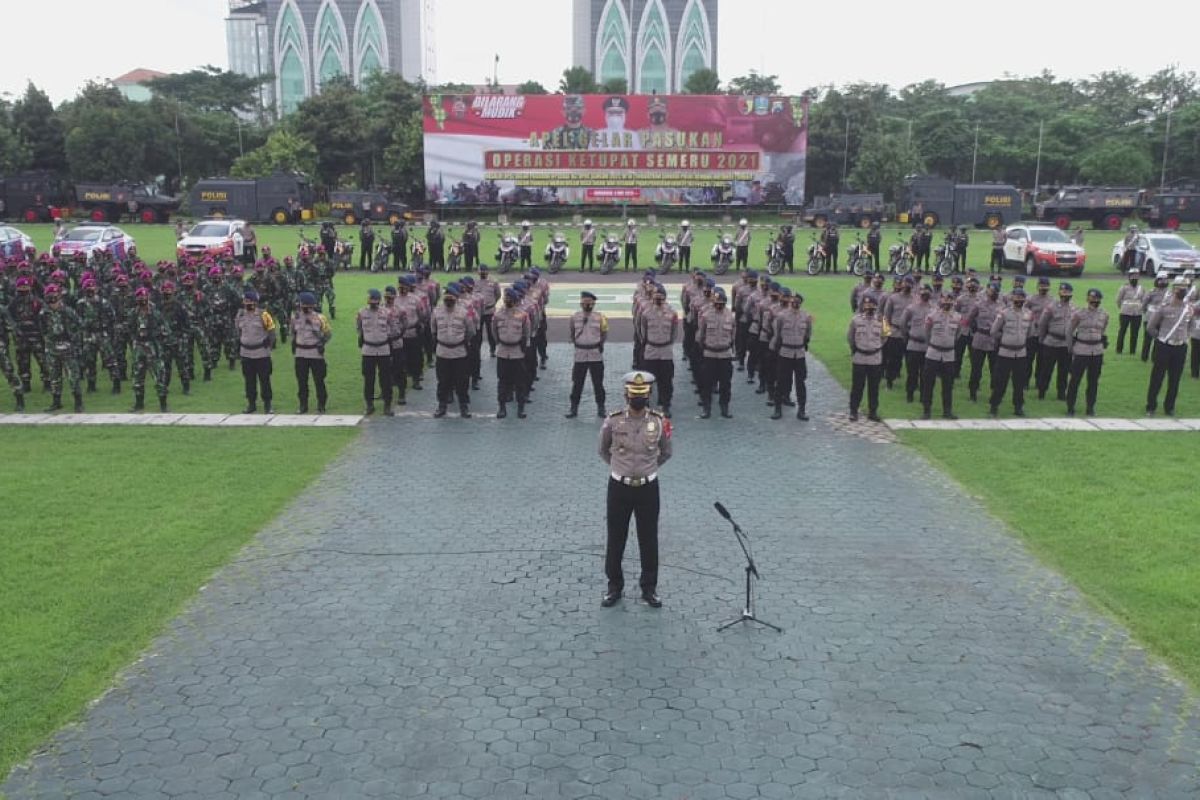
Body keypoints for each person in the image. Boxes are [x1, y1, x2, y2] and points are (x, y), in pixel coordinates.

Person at [599, 370, 671, 609]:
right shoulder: (613, 421)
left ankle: (649, 588)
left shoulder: (658, 422)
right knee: (616, 537)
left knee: (648, 539)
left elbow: (666, 452)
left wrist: (646, 469)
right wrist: (622, 469)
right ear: (626, 395)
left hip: (648, 489)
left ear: (648, 395)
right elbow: (603, 449)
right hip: (619, 487)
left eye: (641, 395)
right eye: (633, 395)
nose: (637, 399)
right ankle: (614, 586)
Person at [1145, 277, 1193, 416]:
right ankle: (1151, 406)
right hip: (1164, 346)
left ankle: (1169, 407)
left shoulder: (1188, 309)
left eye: (1185, 288)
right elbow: (1150, 327)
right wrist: (1160, 339)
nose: (1183, 291)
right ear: (1174, 289)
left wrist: (1185, 337)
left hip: (1180, 347)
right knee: (1157, 378)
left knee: (1175, 379)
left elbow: (1189, 326)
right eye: (1180, 288)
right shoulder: (1164, 308)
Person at [431, 282, 476, 418]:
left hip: (459, 352)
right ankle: (441, 406)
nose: (448, 299)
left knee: (462, 381)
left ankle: (464, 406)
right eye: (446, 296)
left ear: (456, 298)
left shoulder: (463, 312)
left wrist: (461, 341)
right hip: (443, 351)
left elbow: (471, 331)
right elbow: (433, 330)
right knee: (443, 381)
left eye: (451, 297)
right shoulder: (437, 311)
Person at [987, 287, 1034, 417]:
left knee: (1019, 383)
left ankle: (1018, 407)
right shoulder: (1004, 313)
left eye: (1021, 298)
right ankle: (994, 406)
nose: (1019, 300)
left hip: (1020, 353)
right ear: (1012, 299)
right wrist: (1004, 338)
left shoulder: (1029, 314)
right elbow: (993, 331)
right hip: (1005, 352)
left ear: (1025, 300)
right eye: (1017, 298)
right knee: (1000, 382)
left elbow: (1030, 333)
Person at [37, 284, 84, 413]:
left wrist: (72, 338)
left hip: (68, 347)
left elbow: (80, 324)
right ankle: (56, 402)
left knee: (72, 375)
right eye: (50, 299)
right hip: (52, 348)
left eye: (55, 299)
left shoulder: (68, 311)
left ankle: (78, 402)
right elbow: (42, 329)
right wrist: (48, 341)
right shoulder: (43, 313)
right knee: (54, 376)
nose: (53, 302)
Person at [1065, 288, 1109, 416]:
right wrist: (1070, 348)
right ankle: (1070, 406)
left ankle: (1090, 407)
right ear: (1087, 299)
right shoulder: (1079, 314)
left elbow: (1102, 331)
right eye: (1091, 299)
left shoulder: (1104, 314)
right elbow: (1069, 331)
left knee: (1093, 381)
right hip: (1081, 350)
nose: (1094, 301)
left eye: (1096, 299)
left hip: (1096, 351)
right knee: (1075, 380)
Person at [127, 286, 170, 413]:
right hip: (139, 347)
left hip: (153, 348)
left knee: (159, 377)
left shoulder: (155, 313)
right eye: (140, 298)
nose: (142, 300)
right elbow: (129, 329)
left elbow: (166, 330)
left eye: (144, 297)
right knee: (137, 377)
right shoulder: (133, 313)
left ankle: (163, 405)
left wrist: (157, 337)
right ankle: (139, 404)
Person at [770, 288, 812, 420]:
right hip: (785, 352)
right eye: (793, 301)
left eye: (797, 302)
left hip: (799, 354)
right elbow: (777, 335)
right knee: (781, 381)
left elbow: (808, 334)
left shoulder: (806, 317)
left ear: (800, 303)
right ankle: (777, 409)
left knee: (801, 383)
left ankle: (802, 410)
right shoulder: (782, 316)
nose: (795, 303)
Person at [566, 291, 608, 418]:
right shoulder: (574, 317)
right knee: (577, 383)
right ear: (581, 303)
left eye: (590, 302)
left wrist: (599, 344)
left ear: (594, 303)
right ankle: (574, 408)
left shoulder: (601, 317)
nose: (587, 304)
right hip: (580, 354)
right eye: (585, 302)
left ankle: (601, 408)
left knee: (598, 383)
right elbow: (572, 333)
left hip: (595, 354)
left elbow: (604, 333)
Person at [638, 284, 678, 418]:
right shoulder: (646, 312)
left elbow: (674, 332)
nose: (658, 297)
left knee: (666, 380)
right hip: (651, 350)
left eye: (660, 295)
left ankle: (666, 405)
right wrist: (647, 341)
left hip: (666, 350)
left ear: (665, 297)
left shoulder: (672, 313)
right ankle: (646, 405)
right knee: (647, 380)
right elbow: (641, 330)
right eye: (656, 295)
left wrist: (668, 343)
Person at [491, 288, 531, 419]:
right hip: (503, 352)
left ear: (514, 300)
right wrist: (499, 343)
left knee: (520, 383)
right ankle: (502, 408)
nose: (506, 300)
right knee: (502, 381)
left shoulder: (523, 315)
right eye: (505, 298)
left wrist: (522, 347)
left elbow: (526, 333)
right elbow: (494, 332)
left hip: (517, 352)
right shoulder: (498, 315)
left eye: (509, 298)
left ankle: (521, 409)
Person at [236, 289, 276, 414]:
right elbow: (238, 331)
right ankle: (251, 404)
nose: (247, 303)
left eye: (249, 301)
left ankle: (268, 404)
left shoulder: (264, 315)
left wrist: (269, 345)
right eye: (245, 301)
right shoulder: (240, 315)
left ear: (255, 302)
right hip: (246, 353)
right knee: (249, 381)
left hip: (261, 353)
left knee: (265, 380)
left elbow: (272, 331)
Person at [697, 288, 735, 419]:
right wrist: (705, 348)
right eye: (716, 303)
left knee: (726, 384)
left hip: (725, 355)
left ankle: (724, 407)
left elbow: (733, 336)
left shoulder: (730, 316)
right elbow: (701, 336)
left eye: (721, 303)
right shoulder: (706, 315)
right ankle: (706, 408)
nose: (719, 305)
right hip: (710, 354)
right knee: (706, 384)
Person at [291, 291, 331, 414]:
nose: (304, 307)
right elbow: (293, 332)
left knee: (319, 381)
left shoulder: (320, 318)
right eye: (302, 305)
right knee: (302, 382)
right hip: (300, 353)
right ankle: (303, 405)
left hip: (315, 353)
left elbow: (328, 334)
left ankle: (321, 405)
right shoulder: (295, 317)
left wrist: (321, 343)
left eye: (306, 305)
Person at [847, 294, 884, 422]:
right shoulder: (856, 320)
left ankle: (873, 411)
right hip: (860, 358)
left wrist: (876, 346)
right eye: (866, 304)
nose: (869, 307)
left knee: (874, 387)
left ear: (875, 305)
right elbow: (850, 337)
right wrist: (855, 348)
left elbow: (885, 336)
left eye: (872, 304)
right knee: (857, 386)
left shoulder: (881, 320)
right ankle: (853, 411)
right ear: (863, 306)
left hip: (875, 358)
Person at [1036, 282, 1074, 401]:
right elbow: (1042, 324)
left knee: (1064, 371)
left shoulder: (1074, 308)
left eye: (1067, 292)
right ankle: (1042, 391)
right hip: (1051, 342)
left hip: (1065, 344)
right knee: (1046, 369)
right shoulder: (1051, 307)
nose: (1065, 295)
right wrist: (1042, 339)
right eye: (1063, 292)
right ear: (1059, 293)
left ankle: (1061, 393)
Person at [966, 282, 1002, 402]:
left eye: (996, 291)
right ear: (987, 291)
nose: (994, 293)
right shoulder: (979, 305)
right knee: (976, 369)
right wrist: (974, 329)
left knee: (995, 370)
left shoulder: (1001, 306)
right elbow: (969, 319)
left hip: (994, 340)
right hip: (980, 338)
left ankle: (994, 393)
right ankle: (973, 392)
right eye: (992, 290)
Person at [900, 284, 934, 404]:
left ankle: (923, 397)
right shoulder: (911, 308)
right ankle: (910, 394)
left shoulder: (934, 309)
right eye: (922, 291)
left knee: (925, 374)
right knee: (912, 373)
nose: (925, 293)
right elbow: (903, 324)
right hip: (913, 345)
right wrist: (907, 336)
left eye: (927, 291)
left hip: (927, 347)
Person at [1141, 272, 1169, 362]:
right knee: (1147, 339)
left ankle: (1155, 358)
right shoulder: (1151, 292)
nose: (1163, 282)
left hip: (1161, 320)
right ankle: (1144, 357)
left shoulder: (1169, 293)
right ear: (1157, 280)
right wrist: (1148, 315)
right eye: (1161, 279)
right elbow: (1144, 305)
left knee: (1158, 340)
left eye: (1165, 279)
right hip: (1150, 318)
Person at [1115, 270, 1144, 355]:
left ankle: (1132, 351)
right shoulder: (1124, 287)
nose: (1134, 278)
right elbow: (1118, 300)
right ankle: (1119, 350)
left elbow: (1143, 300)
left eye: (1136, 276)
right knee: (1122, 331)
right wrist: (1123, 308)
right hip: (1125, 313)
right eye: (1133, 276)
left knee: (1134, 333)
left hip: (1137, 313)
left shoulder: (1141, 288)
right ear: (1129, 277)